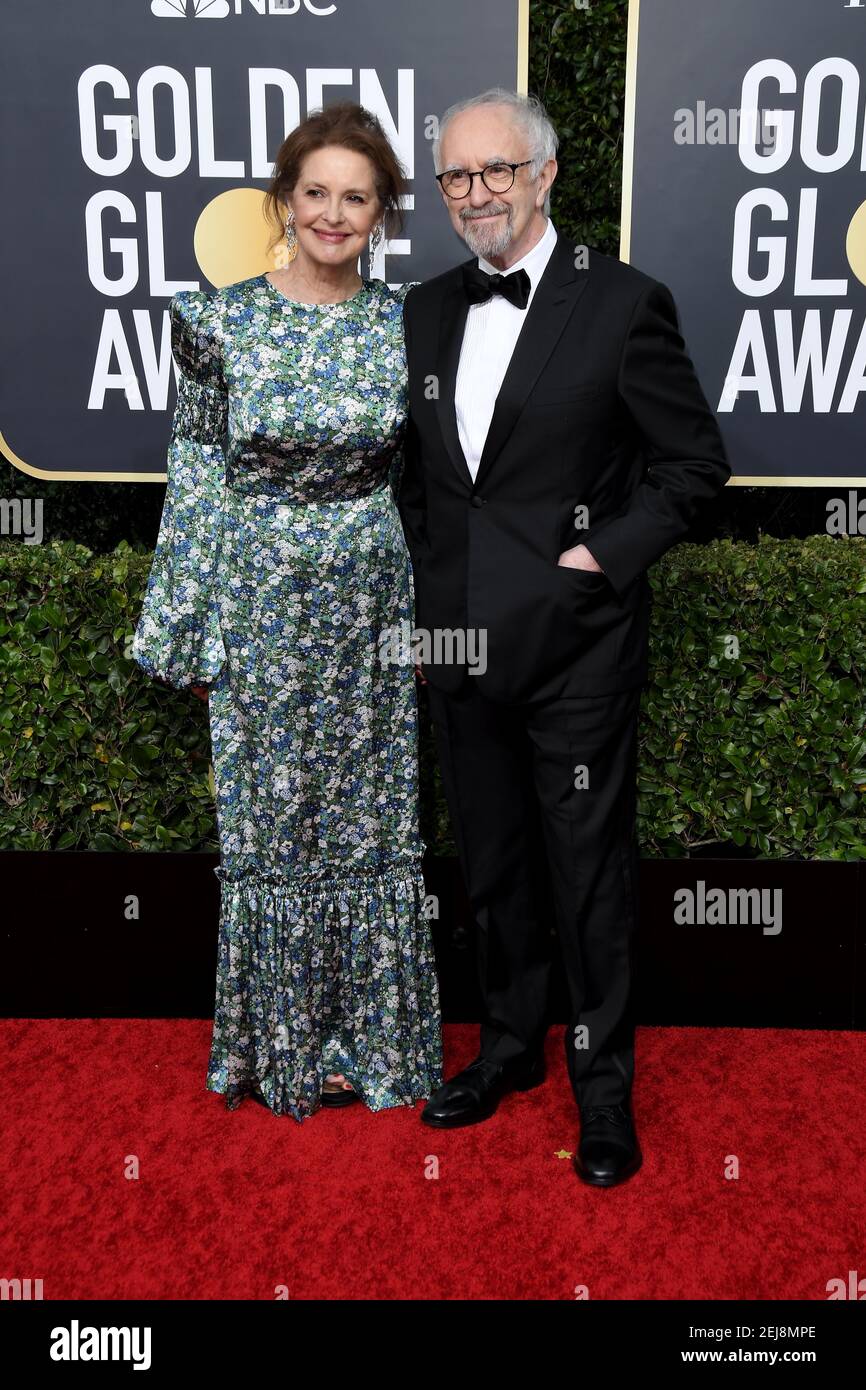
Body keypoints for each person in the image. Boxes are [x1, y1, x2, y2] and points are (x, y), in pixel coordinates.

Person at [398, 88, 730, 1185]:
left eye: (495, 170)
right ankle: (505, 1052)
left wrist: (598, 559)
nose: (474, 193)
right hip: (455, 644)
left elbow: (691, 466)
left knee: (584, 876)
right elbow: (420, 481)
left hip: (577, 645)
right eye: (454, 176)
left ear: (544, 175)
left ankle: (600, 1093)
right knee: (490, 867)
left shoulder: (623, 303)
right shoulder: (423, 309)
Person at [133, 101, 442, 1121]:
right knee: (271, 821)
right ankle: (279, 1044)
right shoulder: (216, 320)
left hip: (368, 599)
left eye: (357, 197)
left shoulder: (408, 323)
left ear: (380, 214)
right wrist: (188, 617)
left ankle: (370, 1042)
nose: (333, 212)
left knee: (369, 816)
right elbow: (194, 474)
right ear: (284, 198)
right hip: (259, 597)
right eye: (316, 192)